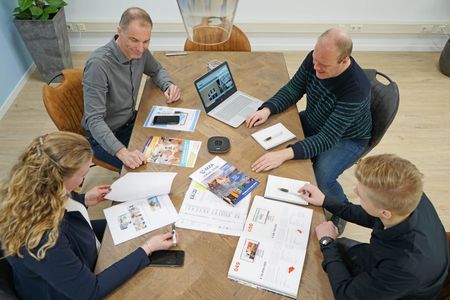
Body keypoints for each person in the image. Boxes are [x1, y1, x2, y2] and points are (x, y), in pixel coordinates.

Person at [0, 132, 176, 299]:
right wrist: (147, 249)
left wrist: (82, 199)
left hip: (76, 250)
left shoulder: (35, 191)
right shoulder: (43, 239)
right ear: (58, 180)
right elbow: (90, 292)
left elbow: (70, 214)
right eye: (82, 175)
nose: (84, 180)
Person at [245, 28, 372, 233]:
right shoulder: (316, 59)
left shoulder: (356, 88)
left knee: (321, 177)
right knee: (271, 138)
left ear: (344, 60)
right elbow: (294, 88)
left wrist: (285, 154)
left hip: (347, 139)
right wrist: (268, 109)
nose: (316, 68)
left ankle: (341, 210)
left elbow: (327, 138)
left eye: (323, 66)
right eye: (315, 60)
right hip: (316, 121)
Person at [299, 154, 449, 299]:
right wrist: (325, 200)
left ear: (385, 213)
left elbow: (344, 295)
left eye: (361, 196)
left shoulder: (405, 267)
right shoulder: (409, 196)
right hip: (378, 259)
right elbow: (372, 215)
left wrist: (327, 242)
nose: (355, 191)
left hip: (392, 288)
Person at [82, 7, 181, 170]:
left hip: (129, 122)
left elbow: (156, 70)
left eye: (146, 41)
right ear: (119, 31)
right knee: (151, 168)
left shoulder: (140, 51)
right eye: (134, 40)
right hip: (103, 136)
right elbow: (94, 120)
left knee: (174, 146)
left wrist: (167, 85)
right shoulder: (98, 66)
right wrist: (122, 152)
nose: (141, 48)